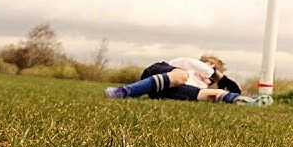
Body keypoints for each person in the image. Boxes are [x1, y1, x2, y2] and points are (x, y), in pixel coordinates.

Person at [104, 54, 262, 103]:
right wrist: (216, 74)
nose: (208, 74)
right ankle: (124, 92)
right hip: (157, 73)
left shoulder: (202, 85)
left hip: (164, 91)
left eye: (212, 77)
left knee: (206, 94)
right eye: (209, 67)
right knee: (181, 76)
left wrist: (233, 92)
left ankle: (246, 101)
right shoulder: (187, 67)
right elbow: (190, 62)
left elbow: (224, 89)